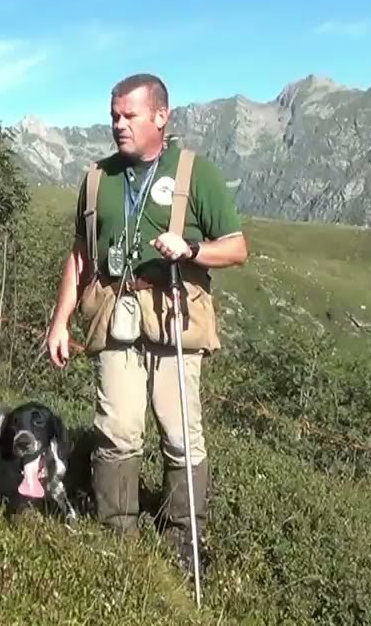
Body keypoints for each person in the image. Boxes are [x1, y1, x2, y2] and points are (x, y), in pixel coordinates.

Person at [43, 72, 247, 577]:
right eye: (114, 115)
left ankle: (184, 539)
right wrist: (59, 321)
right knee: (117, 429)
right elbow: (81, 255)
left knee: (180, 434)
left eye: (129, 115)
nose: (118, 124)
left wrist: (192, 249)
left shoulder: (196, 174)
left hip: (174, 316)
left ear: (160, 116)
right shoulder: (98, 178)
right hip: (113, 314)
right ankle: (119, 537)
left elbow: (237, 248)